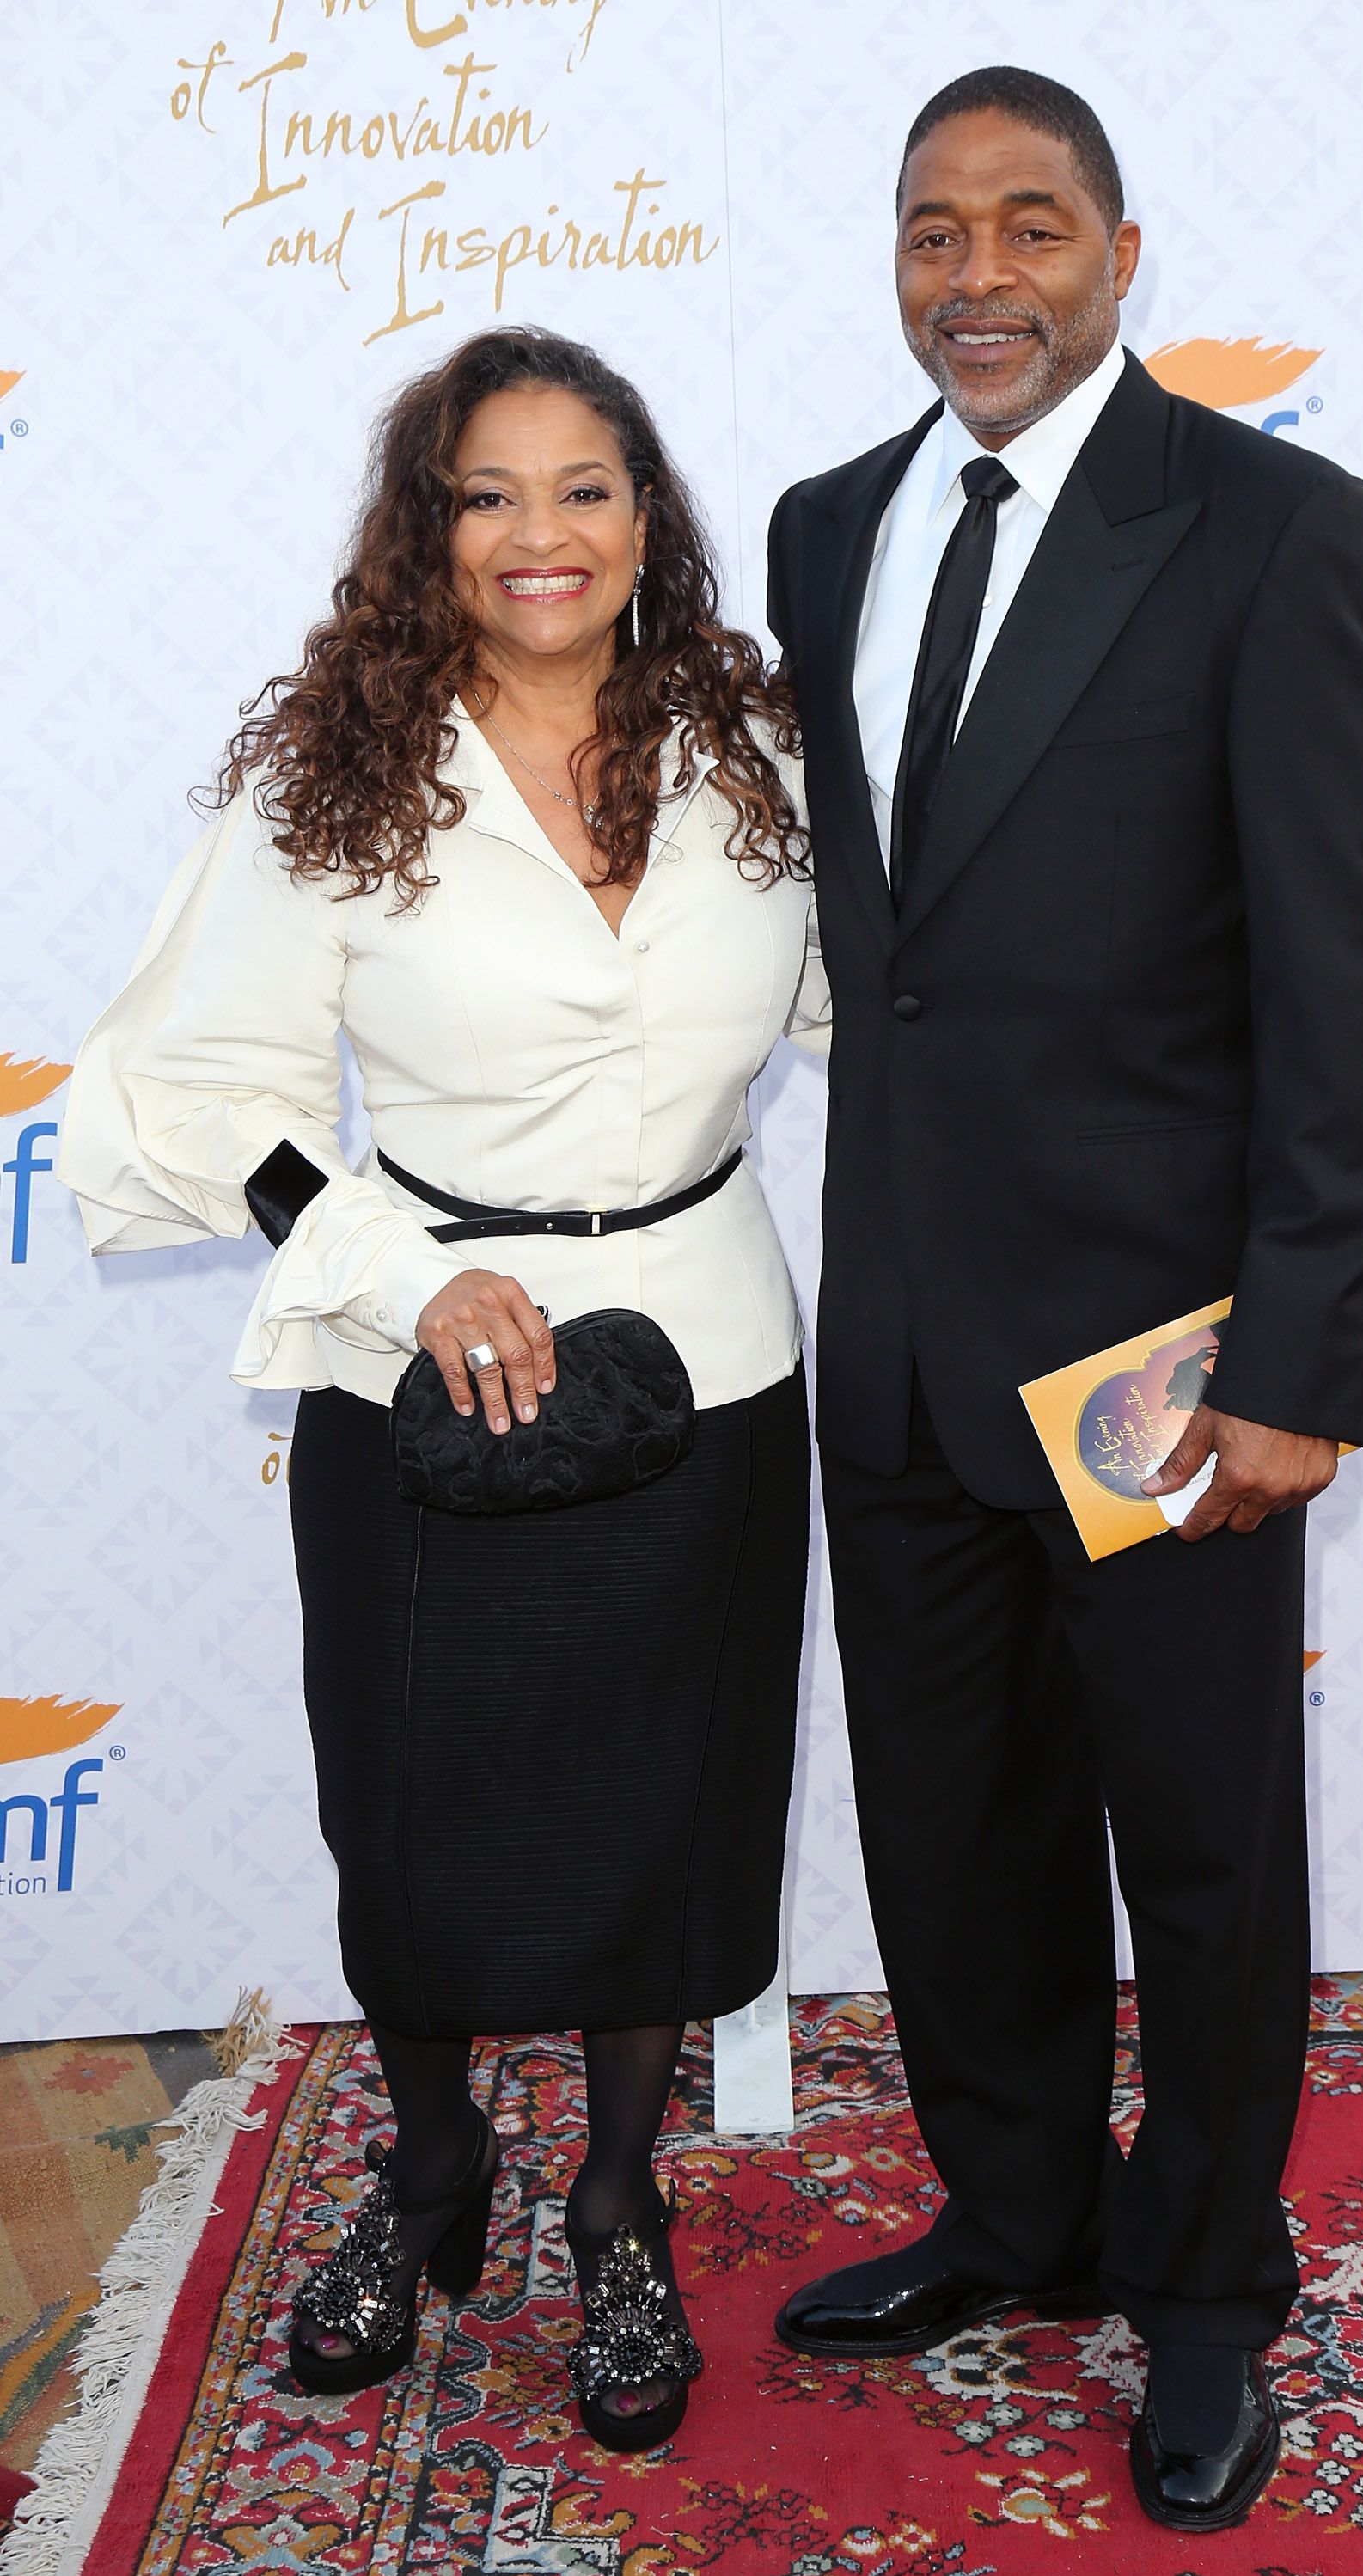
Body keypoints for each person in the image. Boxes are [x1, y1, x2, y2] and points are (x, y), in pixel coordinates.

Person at [767, 65, 1363, 2534]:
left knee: (1203, 1841)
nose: (976, 275)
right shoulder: (826, 530)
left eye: (1026, 225)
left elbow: (1358, 986)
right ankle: (1022, 2209)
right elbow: (886, 961)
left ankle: (1204, 2287)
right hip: (910, 1335)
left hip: (1162, 1363)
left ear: (1119, 256)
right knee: (956, 1826)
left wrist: (1299, 1357)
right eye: (932, 229)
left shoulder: (1272, 532)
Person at [61, 326, 827, 2451]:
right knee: (413, 1834)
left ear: (643, 515)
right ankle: (430, 2168)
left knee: (661, 1829)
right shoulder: (343, 761)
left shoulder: (757, 746)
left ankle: (608, 2198)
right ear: (430, 528)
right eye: (488, 493)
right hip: (415, 1384)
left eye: (583, 486)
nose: (539, 534)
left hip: (713, 1370)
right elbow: (204, 1097)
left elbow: (900, 996)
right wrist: (407, 1272)